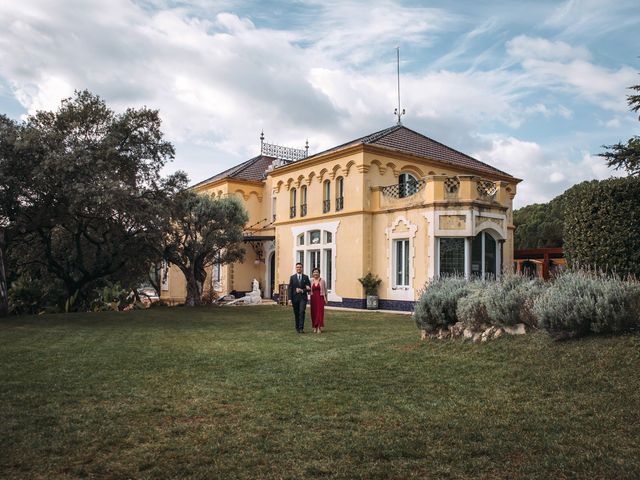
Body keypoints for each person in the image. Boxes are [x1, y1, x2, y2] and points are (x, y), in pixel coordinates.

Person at [287, 262, 311, 333]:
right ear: (296, 268)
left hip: (303, 298)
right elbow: (290, 288)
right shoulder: (292, 277)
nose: (299, 268)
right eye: (297, 267)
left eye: (300, 267)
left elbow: (309, 288)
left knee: (302, 312)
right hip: (295, 298)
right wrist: (289, 299)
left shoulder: (306, 277)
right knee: (296, 313)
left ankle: (301, 328)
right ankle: (297, 327)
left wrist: (302, 290)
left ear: (302, 268)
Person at [310, 267, 328, 334]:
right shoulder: (311, 280)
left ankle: (319, 327)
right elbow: (308, 288)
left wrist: (326, 299)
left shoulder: (322, 281)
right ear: (312, 273)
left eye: (317, 272)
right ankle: (314, 326)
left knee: (320, 313)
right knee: (314, 312)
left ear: (319, 273)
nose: (315, 273)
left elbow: (325, 290)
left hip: (320, 298)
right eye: (314, 272)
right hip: (313, 298)